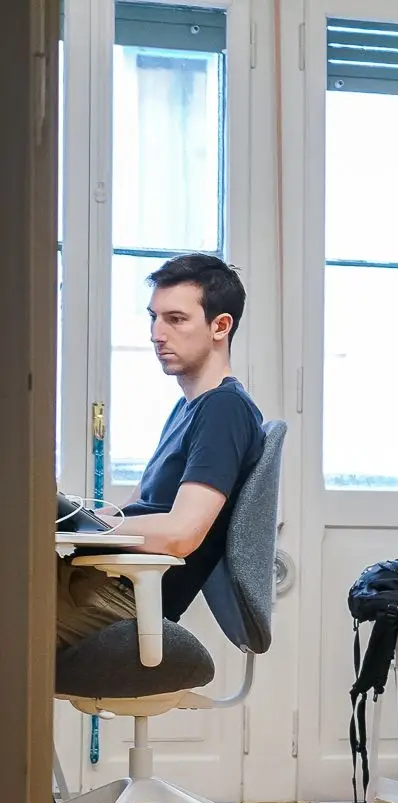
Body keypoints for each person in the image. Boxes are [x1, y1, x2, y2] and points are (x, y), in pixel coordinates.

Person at [56, 253, 266, 649]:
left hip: (123, 602)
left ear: (220, 326)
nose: (157, 333)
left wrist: (84, 527)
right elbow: (132, 510)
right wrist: (72, 519)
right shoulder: (188, 408)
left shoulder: (224, 410)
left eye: (176, 319)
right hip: (99, 583)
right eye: (154, 317)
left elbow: (180, 534)